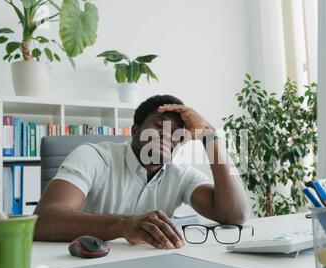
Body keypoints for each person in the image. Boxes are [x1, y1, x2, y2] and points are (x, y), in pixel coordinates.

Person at [34, 95, 249, 249]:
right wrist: (123, 225)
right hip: (83, 265)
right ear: (135, 132)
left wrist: (209, 137)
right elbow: (43, 220)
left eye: (177, 135)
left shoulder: (181, 175)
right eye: (159, 126)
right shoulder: (94, 156)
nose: (168, 137)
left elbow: (234, 214)